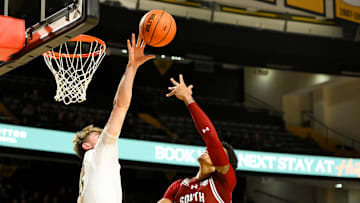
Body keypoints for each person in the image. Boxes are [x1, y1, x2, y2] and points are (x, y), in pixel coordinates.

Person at [72, 33, 155, 203]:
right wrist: (131, 68)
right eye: (98, 135)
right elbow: (120, 107)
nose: (103, 135)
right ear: (87, 145)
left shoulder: (87, 171)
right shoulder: (100, 152)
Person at [158, 74, 238, 203]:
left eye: (217, 152)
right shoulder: (179, 185)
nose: (210, 150)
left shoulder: (223, 183)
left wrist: (188, 99)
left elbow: (211, 138)